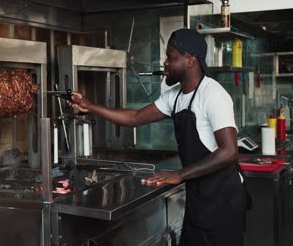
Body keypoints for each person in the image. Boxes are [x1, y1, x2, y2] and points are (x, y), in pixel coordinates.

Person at [66, 29, 246, 246]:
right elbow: (134, 117)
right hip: (198, 197)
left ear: (190, 60)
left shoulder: (213, 95)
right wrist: (90, 106)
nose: (165, 63)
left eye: (171, 57)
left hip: (223, 200)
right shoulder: (176, 95)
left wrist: (179, 174)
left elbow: (229, 151)